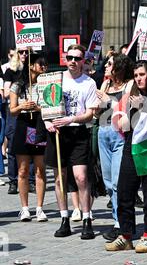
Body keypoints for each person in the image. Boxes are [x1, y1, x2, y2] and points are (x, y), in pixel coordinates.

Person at [105, 60, 147, 253]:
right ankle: (125, 235)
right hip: (131, 144)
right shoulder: (131, 92)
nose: (139, 79)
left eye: (142, 74)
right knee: (124, 191)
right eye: (136, 76)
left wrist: (143, 108)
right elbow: (124, 122)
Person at [44, 44, 97, 240]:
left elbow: (90, 113)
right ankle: (64, 218)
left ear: (83, 61)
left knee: (81, 177)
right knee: (59, 178)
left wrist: (71, 119)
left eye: (77, 58)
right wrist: (48, 121)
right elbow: (45, 104)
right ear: (65, 59)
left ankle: (86, 218)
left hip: (77, 132)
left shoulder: (88, 83)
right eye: (69, 57)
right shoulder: (55, 79)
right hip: (57, 133)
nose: (73, 61)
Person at [95, 53, 134, 242]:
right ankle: (118, 219)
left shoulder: (129, 85)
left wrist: (108, 100)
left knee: (119, 181)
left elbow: (128, 110)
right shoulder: (105, 84)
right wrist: (95, 106)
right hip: (103, 131)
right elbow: (98, 113)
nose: (106, 66)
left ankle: (121, 224)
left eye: (109, 64)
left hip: (120, 133)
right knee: (108, 181)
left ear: (118, 67)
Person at [9, 53, 48, 221]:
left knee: (40, 169)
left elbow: (52, 106)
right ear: (31, 65)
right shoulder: (18, 85)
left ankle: (40, 207)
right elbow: (12, 110)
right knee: (23, 170)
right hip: (23, 124)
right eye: (41, 64)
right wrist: (22, 106)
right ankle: (25, 208)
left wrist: (39, 108)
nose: (44, 67)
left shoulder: (46, 83)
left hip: (39, 124)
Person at [4, 48, 36, 195]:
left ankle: (30, 181)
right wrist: (16, 92)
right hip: (15, 113)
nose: (24, 54)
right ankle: (13, 180)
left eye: (27, 52)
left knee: (31, 145)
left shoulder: (35, 72)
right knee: (12, 146)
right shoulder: (11, 70)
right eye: (21, 52)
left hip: (30, 115)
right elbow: (6, 92)